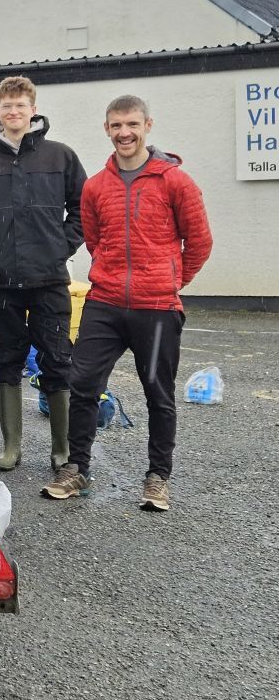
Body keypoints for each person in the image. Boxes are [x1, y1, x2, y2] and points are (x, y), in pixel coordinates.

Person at [43, 95, 212, 511]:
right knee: (82, 385)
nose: (125, 133)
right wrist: (115, 275)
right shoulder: (96, 186)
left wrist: (171, 281)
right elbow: (95, 239)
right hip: (105, 303)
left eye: (132, 124)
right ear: (107, 129)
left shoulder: (176, 182)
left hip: (157, 307)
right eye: (117, 125)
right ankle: (76, 469)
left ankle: (157, 477)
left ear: (148, 126)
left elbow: (200, 242)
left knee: (158, 392)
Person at [0, 76, 85, 473]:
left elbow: (82, 210)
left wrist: (60, 247)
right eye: (6, 106)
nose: (13, 112)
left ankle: (62, 449)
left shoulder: (60, 157)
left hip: (50, 279)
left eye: (21, 105)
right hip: (1, 282)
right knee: (7, 359)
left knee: (56, 359)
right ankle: (11, 447)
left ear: (33, 109)